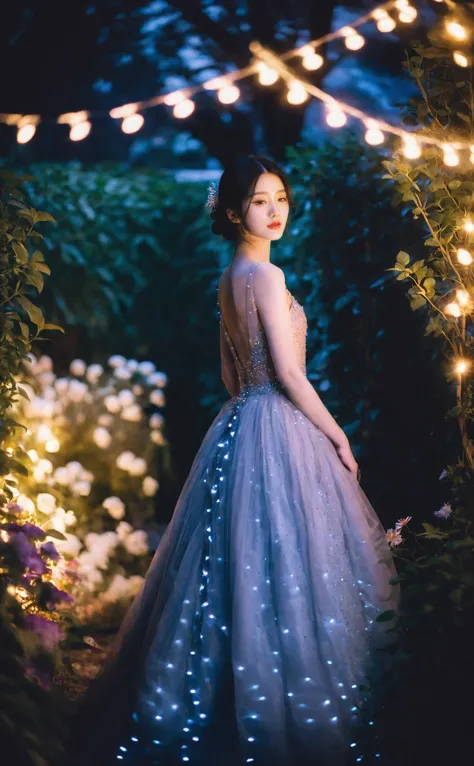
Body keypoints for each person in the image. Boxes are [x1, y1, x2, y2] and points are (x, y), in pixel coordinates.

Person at [62, 154, 399, 766]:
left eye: (280, 199)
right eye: (260, 201)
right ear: (233, 209)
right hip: (278, 420)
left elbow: (228, 373)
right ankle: (284, 710)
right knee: (292, 565)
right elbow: (292, 374)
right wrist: (337, 436)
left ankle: (219, 696)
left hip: (242, 419)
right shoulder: (266, 278)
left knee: (233, 568)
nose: (274, 211)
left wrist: (255, 414)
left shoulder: (231, 274)